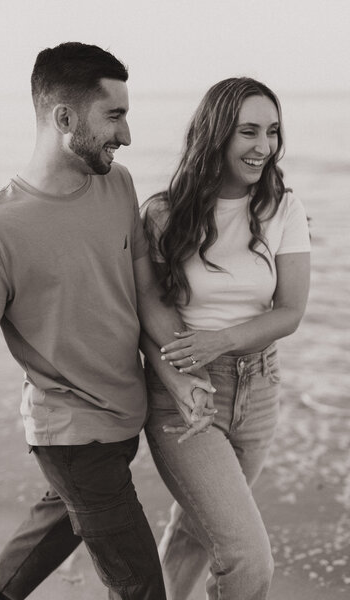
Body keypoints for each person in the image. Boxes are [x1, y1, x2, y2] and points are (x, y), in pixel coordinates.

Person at [0, 42, 216, 600]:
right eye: (114, 116)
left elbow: (145, 293)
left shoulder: (117, 185)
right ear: (65, 119)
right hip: (71, 435)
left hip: (124, 417)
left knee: (59, 525)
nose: (127, 135)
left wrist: (181, 374)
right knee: (141, 587)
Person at [140, 77, 311, 600]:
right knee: (248, 560)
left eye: (273, 131)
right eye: (249, 131)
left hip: (260, 391)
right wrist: (184, 376)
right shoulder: (162, 213)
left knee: (197, 530)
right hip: (186, 394)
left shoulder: (283, 209)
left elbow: (290, 312)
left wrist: (221, 340)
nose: (265, 146)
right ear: (216, 134)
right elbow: (147, 307)